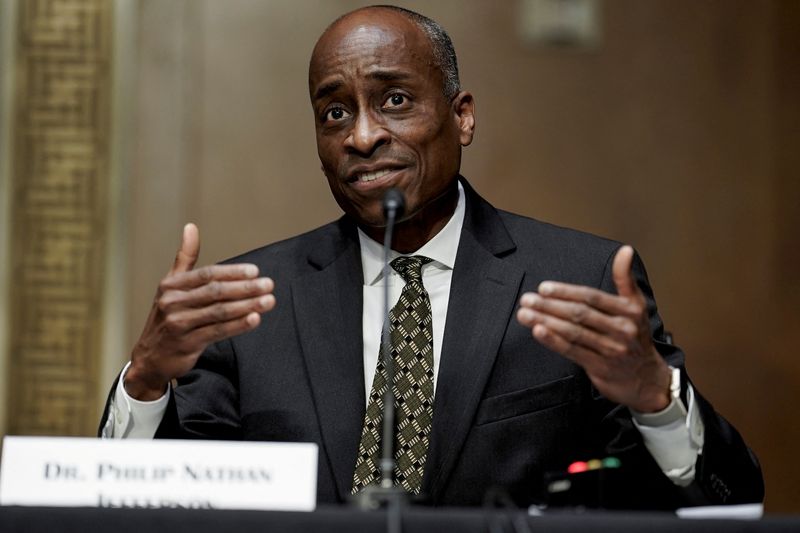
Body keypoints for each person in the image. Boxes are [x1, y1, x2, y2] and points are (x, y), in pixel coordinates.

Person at [99, 5, 763, 509]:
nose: (362, 136)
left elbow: (723, 501)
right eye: (334, 112)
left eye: (394, 100)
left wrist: (656, 401)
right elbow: (158, 504)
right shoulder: (251, 305)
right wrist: (147, 384)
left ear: (462, 116)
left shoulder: (579, 279)